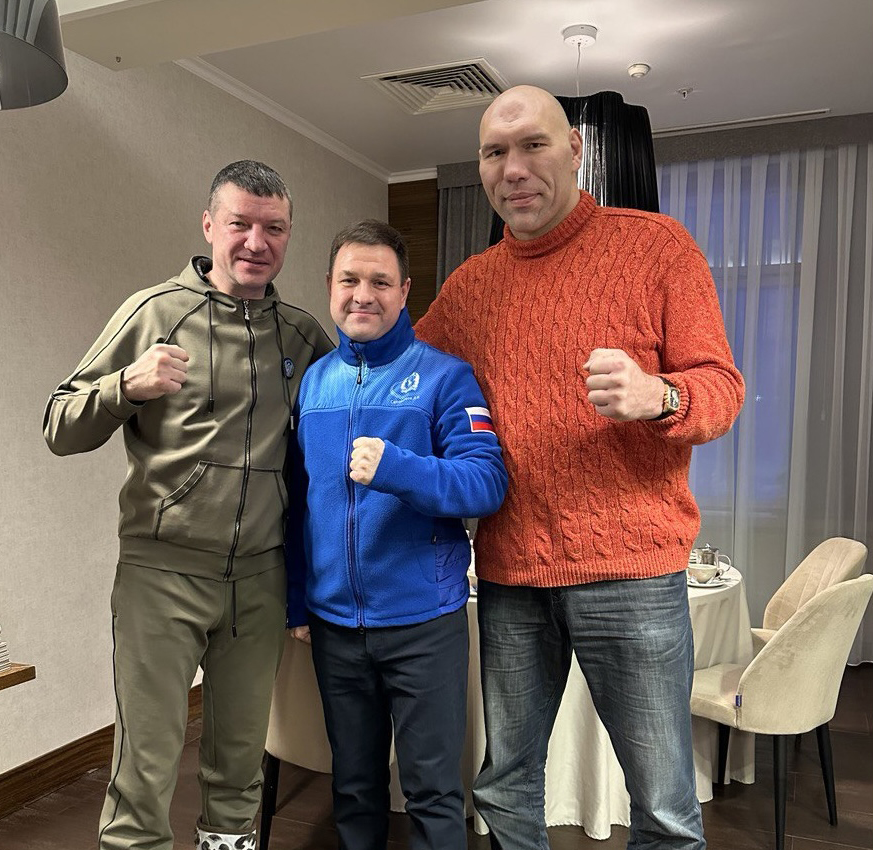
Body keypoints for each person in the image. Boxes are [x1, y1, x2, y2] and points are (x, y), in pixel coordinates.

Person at [414, 86, 745, 850]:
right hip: (509, 573)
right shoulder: (469, 287)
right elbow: (403, 377)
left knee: (662, 805)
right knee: (504, 787)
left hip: (632, 573)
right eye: (494, 152)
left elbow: (721, 391)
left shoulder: (657, 246)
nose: (513, 167)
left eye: (532, 145)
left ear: (574, 151)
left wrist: (657, 394)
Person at [43, 160, 333, 850]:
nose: (256, 242)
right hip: (162, 574)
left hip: (259, 581)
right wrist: (124, 385)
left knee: (239, 770)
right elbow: (59, 425)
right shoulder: (154, 313)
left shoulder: (301, 336)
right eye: (239, 224)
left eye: (274, 228)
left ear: (288, 236)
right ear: (208, 225)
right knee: (143, 772)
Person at [286, 219, 507, 850]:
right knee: (354, 788)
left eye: (380, 282)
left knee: (433, 792)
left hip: (423, 624)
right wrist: (297, 601)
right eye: (350, 280)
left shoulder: (446, 378)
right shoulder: (314, 383)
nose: (364, 295)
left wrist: (399, 469)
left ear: (405, 291)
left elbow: (487, 483)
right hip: (334, 628)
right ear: (329, 286)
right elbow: (296, 502)